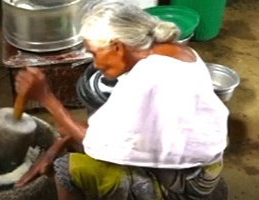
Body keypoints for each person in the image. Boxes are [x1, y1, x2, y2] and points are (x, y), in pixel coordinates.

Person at [14, 1, 229, 199]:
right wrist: (57, 145)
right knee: (72, 135)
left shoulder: (148, 77)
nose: (96, 65)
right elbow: (119, 122)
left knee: (67, 168)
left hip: (187, 185)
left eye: (95, 54)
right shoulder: (175, 52)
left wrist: (46, 97)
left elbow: (96, 142)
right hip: (204, 164)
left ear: (117, 47)